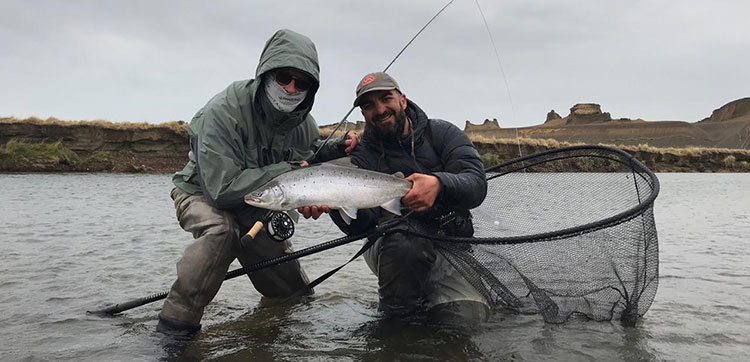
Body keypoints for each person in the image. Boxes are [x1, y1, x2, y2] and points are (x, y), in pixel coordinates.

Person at [159, 29, 358, 335]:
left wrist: (333, 151)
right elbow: (221, 190)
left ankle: (286, 329)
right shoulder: (222, 111)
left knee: (293, 294)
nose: (292, 88)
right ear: (266, 73)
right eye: (283, 77)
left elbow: (305, 160)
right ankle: (173, 331)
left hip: (261, 201)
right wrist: (291, 170)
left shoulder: (305, 126)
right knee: (222, 231)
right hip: (202, 193)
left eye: (302, 82)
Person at [301, 72, 489, 323]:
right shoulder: (363, 155)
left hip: (451, 245)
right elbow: (362, 225)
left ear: (403, 100)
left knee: (467, 324)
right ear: (363, 114)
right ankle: (396, 324)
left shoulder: (442, 133)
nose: (379, 109)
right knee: (404, 244)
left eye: (386, 98)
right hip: (391, 245)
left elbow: (477, 184)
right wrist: (334, 203)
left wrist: (439, 184)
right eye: (369, 105)